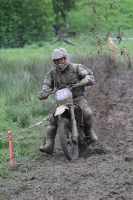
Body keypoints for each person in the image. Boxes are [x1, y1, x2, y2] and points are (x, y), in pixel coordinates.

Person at [38, 47, 98, 154]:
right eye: (56, 60)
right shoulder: (52, 73)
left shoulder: (76, 67)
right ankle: (49, 144)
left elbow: (89, 75)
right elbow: (46, 84)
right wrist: (44, 92)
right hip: (62, 101)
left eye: (61, 59)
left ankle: (89, 131)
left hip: (77, 97)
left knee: (87, 112)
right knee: (52, 119)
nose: (59, 62)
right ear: (54, 62)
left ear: (66, 58)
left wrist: (83, 81)